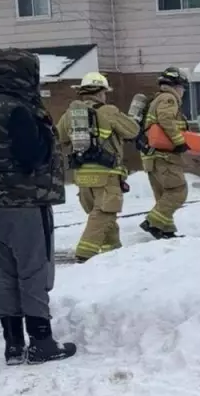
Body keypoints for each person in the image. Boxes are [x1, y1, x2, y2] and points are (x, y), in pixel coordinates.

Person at [0, 47, 76, 365]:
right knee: (33, 272)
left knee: (7, 273)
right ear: (23, 75)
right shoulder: (20, 109)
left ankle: (13, 344)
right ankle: (41, 341)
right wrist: (48, 135)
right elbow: (31, 155)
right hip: (23, 204)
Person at [56, 72, 140, 262]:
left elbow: (58, 137)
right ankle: (85, 254)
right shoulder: (108, 111)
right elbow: (133, 130)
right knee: (105, 214)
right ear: (101, 92)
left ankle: (114, 253)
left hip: (82, 176)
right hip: (107, 174)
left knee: (104, 217)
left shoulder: (70, 114)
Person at [140, 67, 191, 239]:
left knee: (164, 194)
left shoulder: (156, 99)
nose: (183, 91)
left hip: (152, 157)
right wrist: (179, 142)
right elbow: (166, 119)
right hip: (164, 156)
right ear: (176, 86)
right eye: (183, 88)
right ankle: (152, 222)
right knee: (178, 191)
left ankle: (165, 229)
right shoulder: (169, 99)